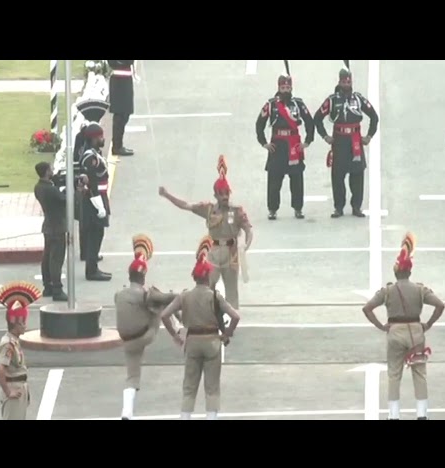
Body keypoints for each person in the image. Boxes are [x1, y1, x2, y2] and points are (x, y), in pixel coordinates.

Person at [362, 233, 445, 420]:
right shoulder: (420, 289)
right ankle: (422, 414)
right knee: (419, 374)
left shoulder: (388, 290)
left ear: (396, 272)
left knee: (394, 374)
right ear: (410, 272)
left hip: (395, 331)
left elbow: (367, 308)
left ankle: (393, 415)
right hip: (416, 331)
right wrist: (428, 324)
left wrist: (381, 326)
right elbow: (440, 305)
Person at [161, 236, 241, 420]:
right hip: (212, 341)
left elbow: (164, 315)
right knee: (212, 387)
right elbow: (235, 316)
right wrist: (226, 334)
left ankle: (185, 416)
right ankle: (211, 417)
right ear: (207, 276)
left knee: (189, 386)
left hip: (192, 342)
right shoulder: (215, 296)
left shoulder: (184, 296)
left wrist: (175, 335)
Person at [159, 156, 253, 309]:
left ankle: (232, 320)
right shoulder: (208, 209)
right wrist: (167, 195)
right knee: (207, 285)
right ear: (215, 195)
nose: (224, 197)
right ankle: (206, 313)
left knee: (232, 290)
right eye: (221, 194)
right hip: (213, 252)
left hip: (232, 253)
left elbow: (248, 229)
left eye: (226, 193)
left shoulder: (237, 211)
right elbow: (185, 205)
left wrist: (246, 245)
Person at [115, 234, 180, 420]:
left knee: (132, 376)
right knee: (158, 305)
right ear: (143, 276)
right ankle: (176, 331)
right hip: (146, 335)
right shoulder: (145, 294)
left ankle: (126, 411)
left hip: (127, 342)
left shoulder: (118, 294)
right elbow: (172, 298)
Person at [314, 62, 379, 218]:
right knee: (338, 175)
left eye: (348, 81)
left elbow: (374, 117)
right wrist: (325, 136)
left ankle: (356, 206)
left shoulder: (358, 99)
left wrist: (369, 136)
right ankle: (339, 207)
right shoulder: (332, 100)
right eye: (343, 81)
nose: (346, 84)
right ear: (339, 81)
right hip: (339, 141)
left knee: (357, 174)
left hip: (355, 141)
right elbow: (317, 118)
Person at [255, 65, 315, 220]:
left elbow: (309, 122)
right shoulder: (271, 105)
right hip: (277, 145)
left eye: (288, 87)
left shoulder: (298, 104)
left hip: (294, 144)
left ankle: (298, 208)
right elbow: (259, 124)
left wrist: (308, 141)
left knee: (297, 179)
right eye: (283, 87)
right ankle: (273, 209)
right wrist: (264, 143)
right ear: (278, 87)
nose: (286, 90)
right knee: (274, 179)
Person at [0, 281, 42, 420]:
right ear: (15, 323)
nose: (25, 326)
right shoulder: (8, 344)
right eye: (23, 322)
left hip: (20, 388)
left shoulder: (14, 341)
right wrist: (8, 392)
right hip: (14, 388)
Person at [79, 122, 112, 281]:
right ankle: (91, 270)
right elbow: (91, 183)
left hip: (99, 196)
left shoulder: (94, 153)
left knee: (97, 235)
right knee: (95, 235)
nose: (102, 139)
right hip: (95, 200)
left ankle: (93, 267)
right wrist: (99, 206)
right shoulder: (90, 157)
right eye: (100, 136)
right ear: (93, 139)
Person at [34, 161, 68, 301]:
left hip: (48, 225)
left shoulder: (38, 187)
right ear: (47, 172)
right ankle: (57, 289)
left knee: (47, 257)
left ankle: (47, 286)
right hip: (57, 226)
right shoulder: (51, 190)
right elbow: (64, 200)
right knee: (56, 259)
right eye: (51, 169)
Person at [107, 60, 136, 156]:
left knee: (125, 113)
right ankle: (117, 146)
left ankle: (118, 144)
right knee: (120, 114)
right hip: (118, 80)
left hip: (126, 78)